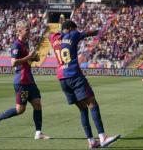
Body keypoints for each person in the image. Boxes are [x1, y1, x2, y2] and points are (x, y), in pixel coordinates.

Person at [49, 20, 120, 149]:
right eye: (75, 28)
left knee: (82, 108)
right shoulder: (73, 34)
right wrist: (102, 30)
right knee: (92, 103)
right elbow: (89, 33)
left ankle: (91, 141)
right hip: (74, 75)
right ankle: (103, 137)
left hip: (62, 78)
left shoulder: (53, 38)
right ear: (71, 28)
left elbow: (53, 33)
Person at [0, 20, 50, 140]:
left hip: (29, 80)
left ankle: (38, 133)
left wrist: (34, 58)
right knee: (20, 109)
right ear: (20, 31)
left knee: (37, 104)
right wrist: (28, 57)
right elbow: (13, 63)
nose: (29, 31)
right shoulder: (16, 45)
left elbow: (28, 60)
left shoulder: (26, 44)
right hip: (22, 81)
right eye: (27, 29)